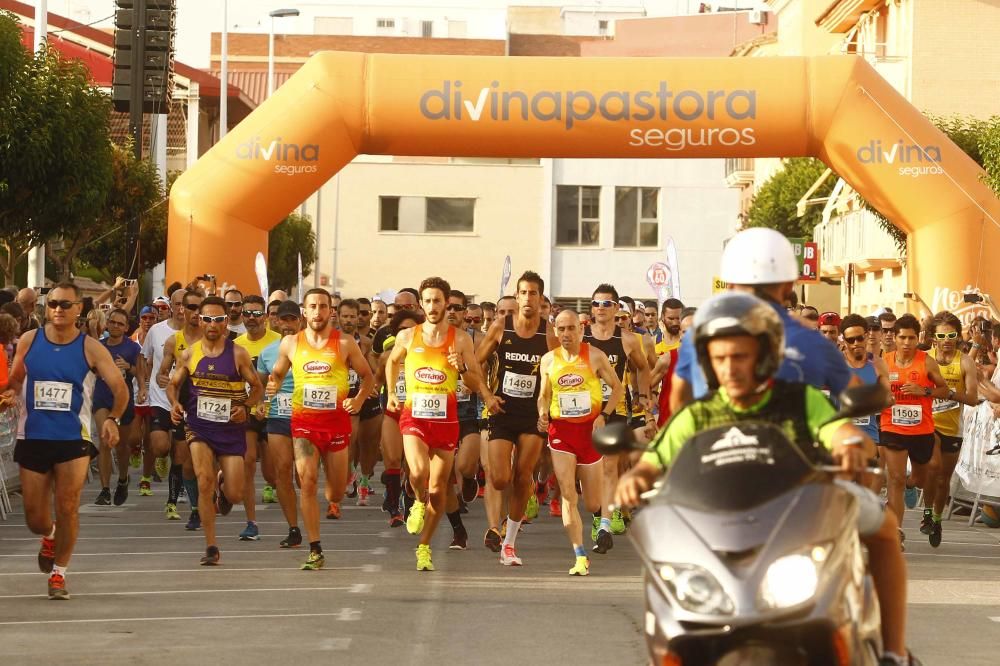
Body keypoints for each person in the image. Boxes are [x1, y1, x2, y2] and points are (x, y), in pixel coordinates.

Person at [616, 292, 917, 666]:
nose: (730, 368)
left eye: (740, 357)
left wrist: (852, 443)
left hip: (801, 523)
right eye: (720, 359)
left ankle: (894, 652)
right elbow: (656, 459)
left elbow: (838, 431)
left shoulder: (799, 400)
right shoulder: (697, 415)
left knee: (885, 529)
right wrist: (637, 477)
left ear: (764, 357)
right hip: (718, 533)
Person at [2, 283, 128, 599]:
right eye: (53, 303)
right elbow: (16, 380)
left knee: (68, 506)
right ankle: (49, 534)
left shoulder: (91, 348)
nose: (58, 309)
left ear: (78, 310)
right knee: (34, 517)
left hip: (73, 438)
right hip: (33, 436)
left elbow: (119, 387)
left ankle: (59, 573)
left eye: (65, 304)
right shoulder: (30, 341)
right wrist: (8, 394)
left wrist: (113, 418)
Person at [670, 228, 853, 412]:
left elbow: (679, 401)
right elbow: (857, 393)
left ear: (730, 285)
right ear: (789, 287)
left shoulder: (698, 333)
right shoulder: (812, 340)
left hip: (711, 436)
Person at [386, 277, 499, 570]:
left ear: (446, 303)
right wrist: (391, 394)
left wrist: (459, 367)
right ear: (421, 304)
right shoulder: (408, 337)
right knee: (419, 471)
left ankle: (424, 546)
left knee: (439, 488)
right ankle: (417, 502)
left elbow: (475, 383)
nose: (433, 306)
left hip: (446, 420)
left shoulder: (460, 340)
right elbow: (391, 361)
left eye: (438, 300)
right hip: (415, 417)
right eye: (428, 301)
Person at [266, 288, 375, 570]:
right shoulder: (291, 343)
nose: (317, 311)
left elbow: (367, 377)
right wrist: (273, 384)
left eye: (323, 306)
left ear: (331, 311)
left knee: (335, 493)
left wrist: (359, 399)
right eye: (312, 306)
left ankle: (336, 495)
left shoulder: (345, 343)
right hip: (303, 425)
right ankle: (315, 548)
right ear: (305, 311)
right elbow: (278, 371)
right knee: (308, 481)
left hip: (337, 425)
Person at [167, 296, 264, 565]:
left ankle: (224, 486)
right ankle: (211, 546)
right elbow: (173, 385)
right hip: (199, 426)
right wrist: (175, 404)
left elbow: (257, 388)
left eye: (218, 319)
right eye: (207, 319)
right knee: (203, 479)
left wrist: (245, 406)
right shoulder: (189, 353)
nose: (212, 324)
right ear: (200, 320)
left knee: (234, 494)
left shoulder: (238, 353)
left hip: (231, 430)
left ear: (225, 323)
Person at [476, 271, 557, 565]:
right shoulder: (501, 326)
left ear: (540, 299)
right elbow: (476, 361)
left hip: (532, 417)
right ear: (517, 295)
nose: (527, 298)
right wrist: (486, 395)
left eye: (533, 293)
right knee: (499, 479)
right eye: (522, 292)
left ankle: (509, 543)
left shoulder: (548, 334)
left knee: (523, 476)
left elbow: (560, 374)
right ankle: (513, 509)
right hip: (502, 411)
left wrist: (549, 411)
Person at [538, 309, 623, 576]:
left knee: (592, 502)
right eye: (560, 329)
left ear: (581, 329)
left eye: (571, 328)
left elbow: (617, 387)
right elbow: (543, 395)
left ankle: (601, 520)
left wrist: (604, 416)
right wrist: (542, 413)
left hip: (589, 432)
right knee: (567, 493)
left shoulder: (595, 356)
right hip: (561, 432)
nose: (565, 334)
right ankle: (579, 554)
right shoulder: (548, 360)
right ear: (555, 331)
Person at [879, 313, 948, 549]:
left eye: (911, 338)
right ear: (894, 338)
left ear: (916, 338)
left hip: (921, 430)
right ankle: (896, 533)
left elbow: (944, 390)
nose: (907, 343)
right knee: (895, 480)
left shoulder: (926, 361)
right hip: (892, 427)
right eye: (902, 338)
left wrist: (924, 391)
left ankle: (911, 485)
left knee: (919, 479)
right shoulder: (884, 362)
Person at [922, 311, 978, 547]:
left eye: (952, 335)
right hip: (928, 424)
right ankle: (926, 513)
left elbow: (974, 399)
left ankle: (936, 518)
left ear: (958, 336)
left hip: (953, 428)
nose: (947, 340)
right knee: (932, 468)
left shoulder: (965, 361)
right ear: (934, 337)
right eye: (942, 335)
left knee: (944, 480)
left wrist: (950, 394)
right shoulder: (925, 358)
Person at [233, 294, 281, 540]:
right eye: (247, 313)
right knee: (248, 462)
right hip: (248, 410)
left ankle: (293, 522)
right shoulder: (236, 345)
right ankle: (251, 522)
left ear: (265, 316)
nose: (251, 318)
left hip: (276, 412)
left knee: (274, 474)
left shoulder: (281, 342)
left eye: (256, 313)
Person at [258, 300, 304, 548]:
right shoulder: (267, 352)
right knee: (282, 472)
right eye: (282, 320)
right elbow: (260, 385)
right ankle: (294, 528)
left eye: (292, 320)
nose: (287, 325)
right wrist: (259, 404)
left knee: (302, 476)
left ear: (300, 321)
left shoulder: (311, 348)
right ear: (276, 321)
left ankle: (309, 519)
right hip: (278, 417)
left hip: (307, 417)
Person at [93, 308, 144, 507]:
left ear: (126, 327)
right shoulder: (98, 346)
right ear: (107, 324)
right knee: (105, 442)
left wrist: (127, 368)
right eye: (112, 322)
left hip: (123, 400)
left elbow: (140, 373)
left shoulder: (132, 348)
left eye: (120, 323)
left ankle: (123, 479)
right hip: (102, 397)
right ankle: (104, 490)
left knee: (121, 445)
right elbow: (90, 366)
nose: (115, 326)